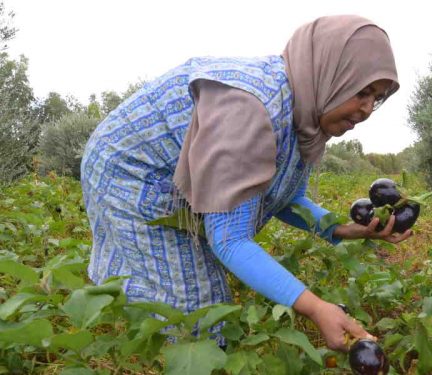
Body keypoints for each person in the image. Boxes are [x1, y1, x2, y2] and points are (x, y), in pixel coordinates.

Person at [80, 15, 409, 351]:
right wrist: (316, 307)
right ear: (333, 73)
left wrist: (339, 229)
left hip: (163, 176)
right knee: (200, 311)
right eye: (363, 91)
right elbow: (230, 239)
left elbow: (286, 198)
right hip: (132, 169)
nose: (368, 108)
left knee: (191, 288)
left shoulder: (303, 116)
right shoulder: (252, 109)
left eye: (377, 98)